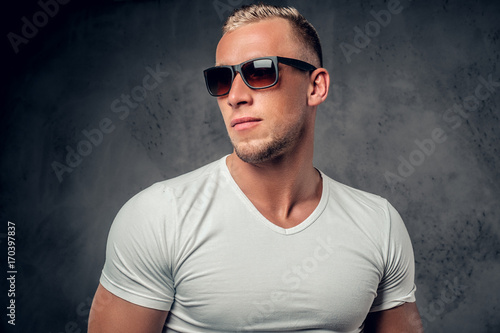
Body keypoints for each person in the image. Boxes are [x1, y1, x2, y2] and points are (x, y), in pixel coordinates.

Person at [88, 3, 423, 332]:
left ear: (316, 86)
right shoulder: (159, 216)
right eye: (221, 79)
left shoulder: (378, 223)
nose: (235, 96)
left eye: (260, 71)